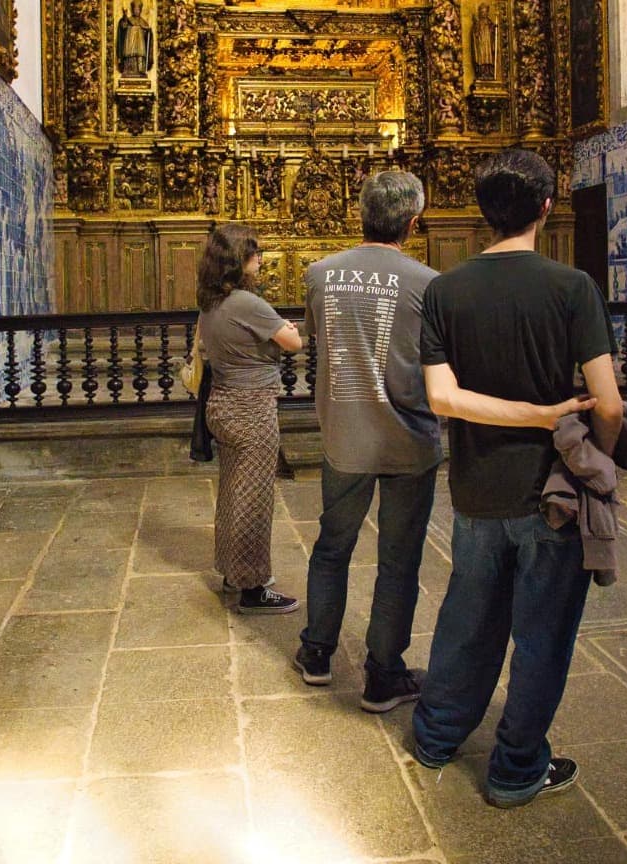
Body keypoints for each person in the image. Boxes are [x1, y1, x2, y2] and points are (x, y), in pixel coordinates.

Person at [411, 148, 623, 809]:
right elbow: (609, 404)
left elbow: (442, 399)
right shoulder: (570, 288)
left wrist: (520, 416)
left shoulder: (444, 290)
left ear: (482, 214)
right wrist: (588, 455)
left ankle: (437, 736)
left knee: (467, 621)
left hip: (476, 490)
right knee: (542, 637)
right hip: (551, 494)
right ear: (545, 207)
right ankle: (515, 769)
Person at [292, 171, 442, 713]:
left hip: (345, 436)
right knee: (398, 562)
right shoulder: (429, 282)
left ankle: (317, 653)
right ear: (412, 221)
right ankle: (383, 677)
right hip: (409, 441)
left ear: (360, 213)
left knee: (332, 546)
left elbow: (313, 341)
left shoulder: (319, 274)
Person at [197, 225, 305, 614]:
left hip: (223, 403)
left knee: (231, 494)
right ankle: (253, 588)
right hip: (252, 407)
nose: (259, 259)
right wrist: (289, 330)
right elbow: (293, 342)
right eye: (253, 252)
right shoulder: (246, 302)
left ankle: (232, 571)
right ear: (236, 260)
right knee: (254, 499)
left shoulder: (209, 301)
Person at [116, 0, 153, 77]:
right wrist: (125, 17)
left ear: (140, 10)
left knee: (140, 56)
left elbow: (147, 35)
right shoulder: (129, 20)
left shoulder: (143, 22)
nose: (136, 11)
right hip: (130, 43)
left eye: (138, 10)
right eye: (135, 9)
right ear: (132, 10)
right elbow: (123, 27)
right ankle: (128, 69)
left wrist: (148, 31)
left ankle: (140, 70)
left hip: (140, 45)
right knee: (130, 56)